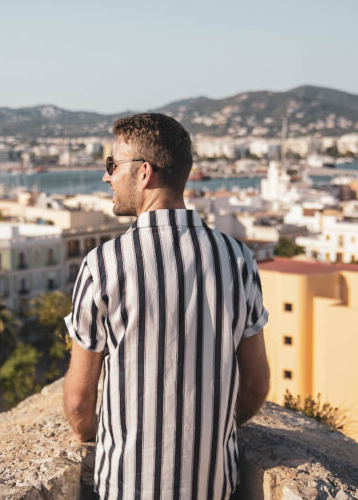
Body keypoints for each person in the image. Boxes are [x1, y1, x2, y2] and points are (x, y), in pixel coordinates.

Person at [63, 113, 270, 499]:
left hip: (127, 487)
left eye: (112, 165)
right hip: (214, 487)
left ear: (144, 173)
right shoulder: (238, 259)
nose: (106, 176)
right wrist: (220, 426)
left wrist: (87, 436)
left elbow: (78, 402)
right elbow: (257, 385)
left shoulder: (103, 265)